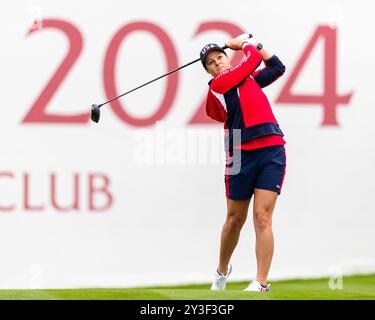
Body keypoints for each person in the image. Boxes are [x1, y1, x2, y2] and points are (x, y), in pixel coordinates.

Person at [200, 33, 286, 292]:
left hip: (271, 150)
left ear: (227, 58)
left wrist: (257, 44)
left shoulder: (247, 80)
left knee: (262, 217)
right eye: (211, 63)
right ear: (209, 71)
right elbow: (252, 60)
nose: (218, 63)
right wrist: (245, 45)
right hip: (239, 155)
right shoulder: (219, 85)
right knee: (234, 220)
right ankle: (222, 272)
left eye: (220, 57)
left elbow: (277, 67)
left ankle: (260, 282)